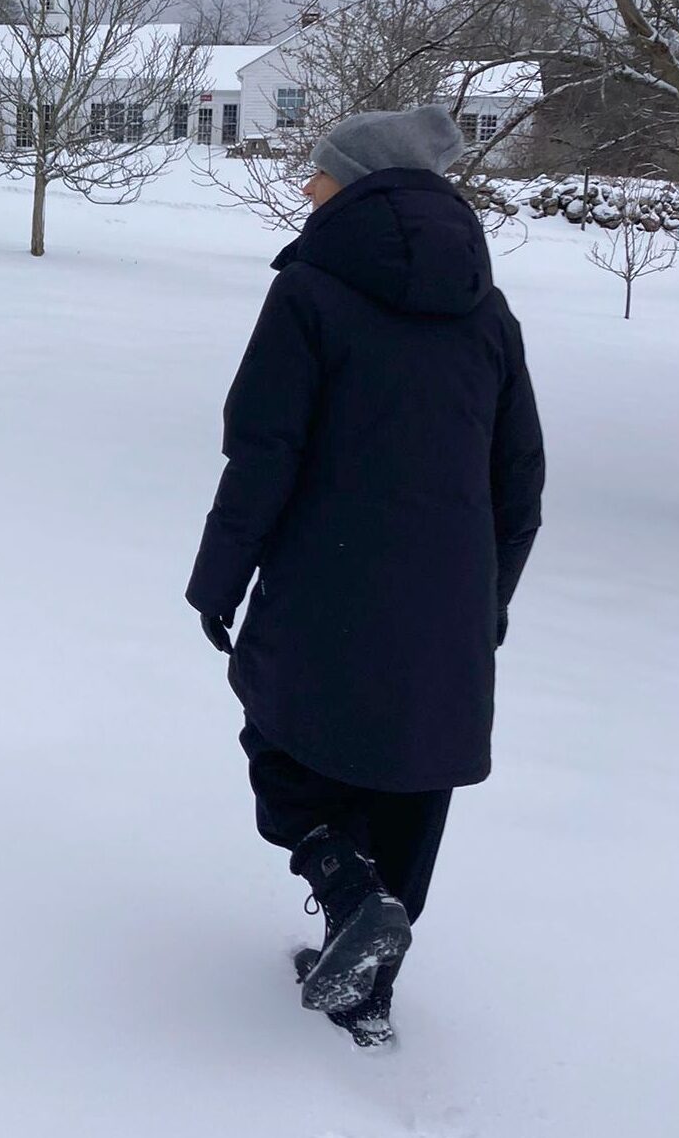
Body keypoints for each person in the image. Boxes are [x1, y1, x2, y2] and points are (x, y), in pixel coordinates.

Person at [187, 105, 544, 1045]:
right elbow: (521, 478)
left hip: (325, 578)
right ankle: (369, 989)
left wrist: (217, 580)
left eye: (318, 173)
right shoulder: (487, 308)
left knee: (281, 732)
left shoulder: (309, 291)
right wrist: (488, 600)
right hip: (453, 593)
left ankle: (345, 884)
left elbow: (262, 452)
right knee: (413, 773)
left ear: (356, 184)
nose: (306, 187)